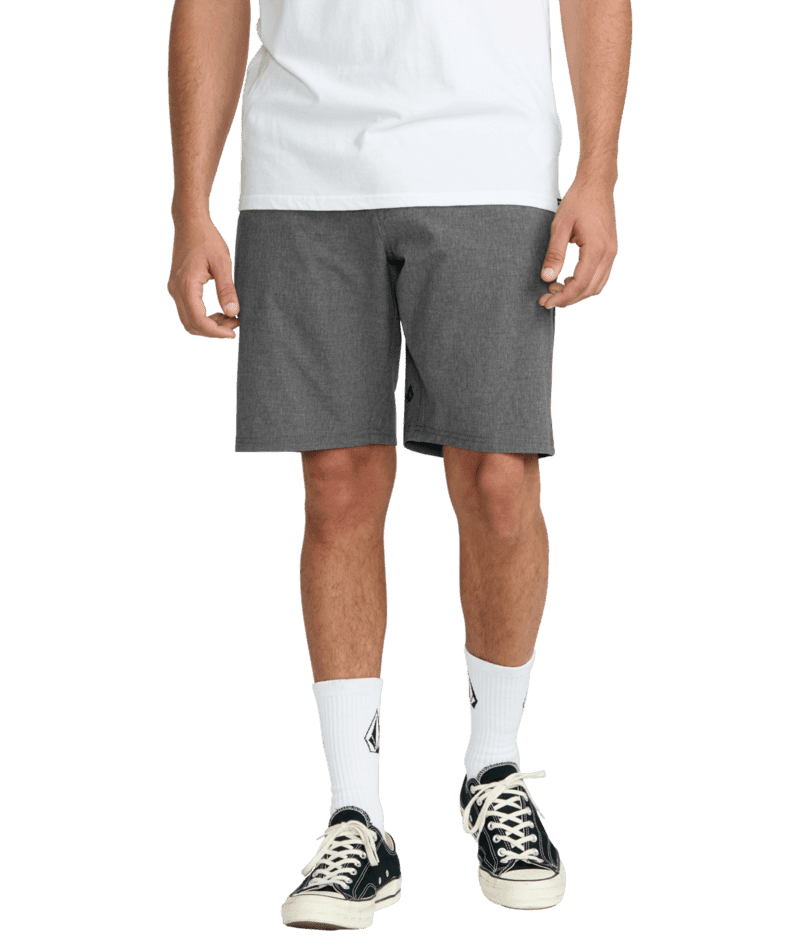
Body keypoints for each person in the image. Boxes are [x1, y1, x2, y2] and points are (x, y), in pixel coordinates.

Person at [167, 0, 631, 931]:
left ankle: (493, 769)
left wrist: (598, 171)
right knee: (336, 486)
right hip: (304, 165)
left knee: (499, 478)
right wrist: (189, 204)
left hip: (491, 152)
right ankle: (357, 819)